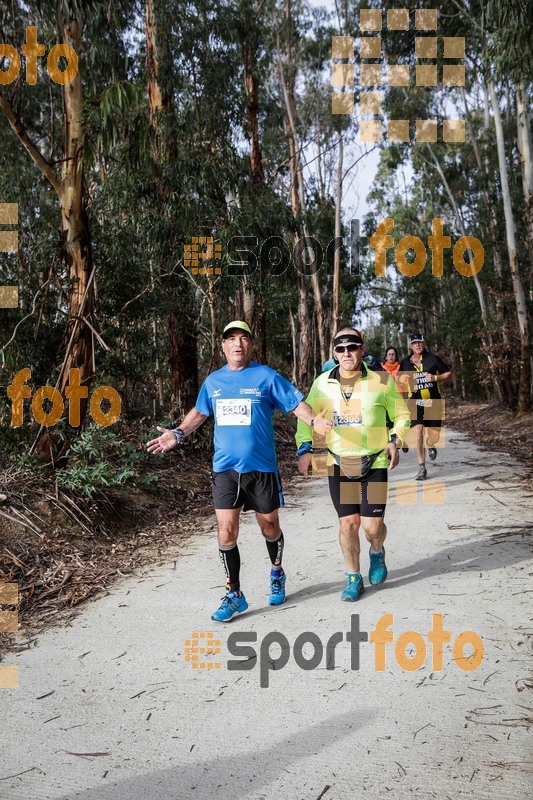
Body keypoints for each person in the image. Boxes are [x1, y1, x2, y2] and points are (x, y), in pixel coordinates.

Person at [147, 321, 331, 622]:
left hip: (261, 469)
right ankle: (234, 594)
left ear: (251, 345)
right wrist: (177, 434)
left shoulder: (266, 376)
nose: (237, 344)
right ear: (222, 346)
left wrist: (314, 423)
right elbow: (200, 413)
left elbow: (296, 404)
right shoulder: (214, 382)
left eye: (243, 338)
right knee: (226, 532)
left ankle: (276, 571)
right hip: (225, 470)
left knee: (269, 527)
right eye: (231, 339)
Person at [296, 327, 411, 602]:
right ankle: (353, 577)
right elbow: (306, 417)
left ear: (362, 348)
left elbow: (402, 414)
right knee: (348, 524)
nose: (347, 352)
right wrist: (305, 448)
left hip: (374, 463)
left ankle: (377, 551)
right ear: (333, 352)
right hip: (339, 463)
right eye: (340, 348)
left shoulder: (382, 381)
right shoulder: (322, 383)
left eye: (352, 346)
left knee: (372, 527)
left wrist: (395, 439)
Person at [398, 332, 452, 481]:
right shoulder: (405, 363)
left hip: (433, 401)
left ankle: (431, 443)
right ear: (410, 345)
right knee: (418, 432)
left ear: (424, 343)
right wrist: (401, 380)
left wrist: (436, 378)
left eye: (420, 342)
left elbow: (448, 374)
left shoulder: (433, 358)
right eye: (414, 343)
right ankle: (422, 468)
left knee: (434, 435)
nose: (417, 345)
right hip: (414, 402)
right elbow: (399, 380)